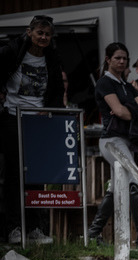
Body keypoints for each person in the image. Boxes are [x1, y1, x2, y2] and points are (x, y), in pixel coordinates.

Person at [86, 42, 138, 250]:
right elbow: (120, 111)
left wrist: (135, 112)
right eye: (118, 58)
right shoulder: (105, 83)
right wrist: (136, 112)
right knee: (135, 181)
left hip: (127, 142)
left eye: (125, 59)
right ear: (108, 59)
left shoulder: (126, 85)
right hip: (111, 141)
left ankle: (92, 234)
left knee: (117, 187)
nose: (122, 61)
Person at [1, 15, 64, 244]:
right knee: (15, 173)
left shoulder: (52, 57)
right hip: (12, 116)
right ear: (30, 32)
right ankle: (14, 228)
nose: (44, 38)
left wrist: (51, 112)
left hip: (39, 120)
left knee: (37, 174)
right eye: (40, 33)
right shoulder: (11, 51)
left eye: (48, 34)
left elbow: (57, 89)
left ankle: (36, 228)